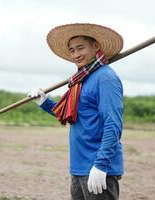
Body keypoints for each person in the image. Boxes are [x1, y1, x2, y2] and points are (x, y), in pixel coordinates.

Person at [28, 23, 124, 200]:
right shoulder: (81, 79)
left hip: (97, 168)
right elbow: (72, 114)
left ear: (96, 46)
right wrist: (44, 101)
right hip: (79, 166)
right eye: (72, 50)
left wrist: (101, 165)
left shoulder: (105, 78)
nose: (76, 54)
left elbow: (113, 123)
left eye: (80, 48)